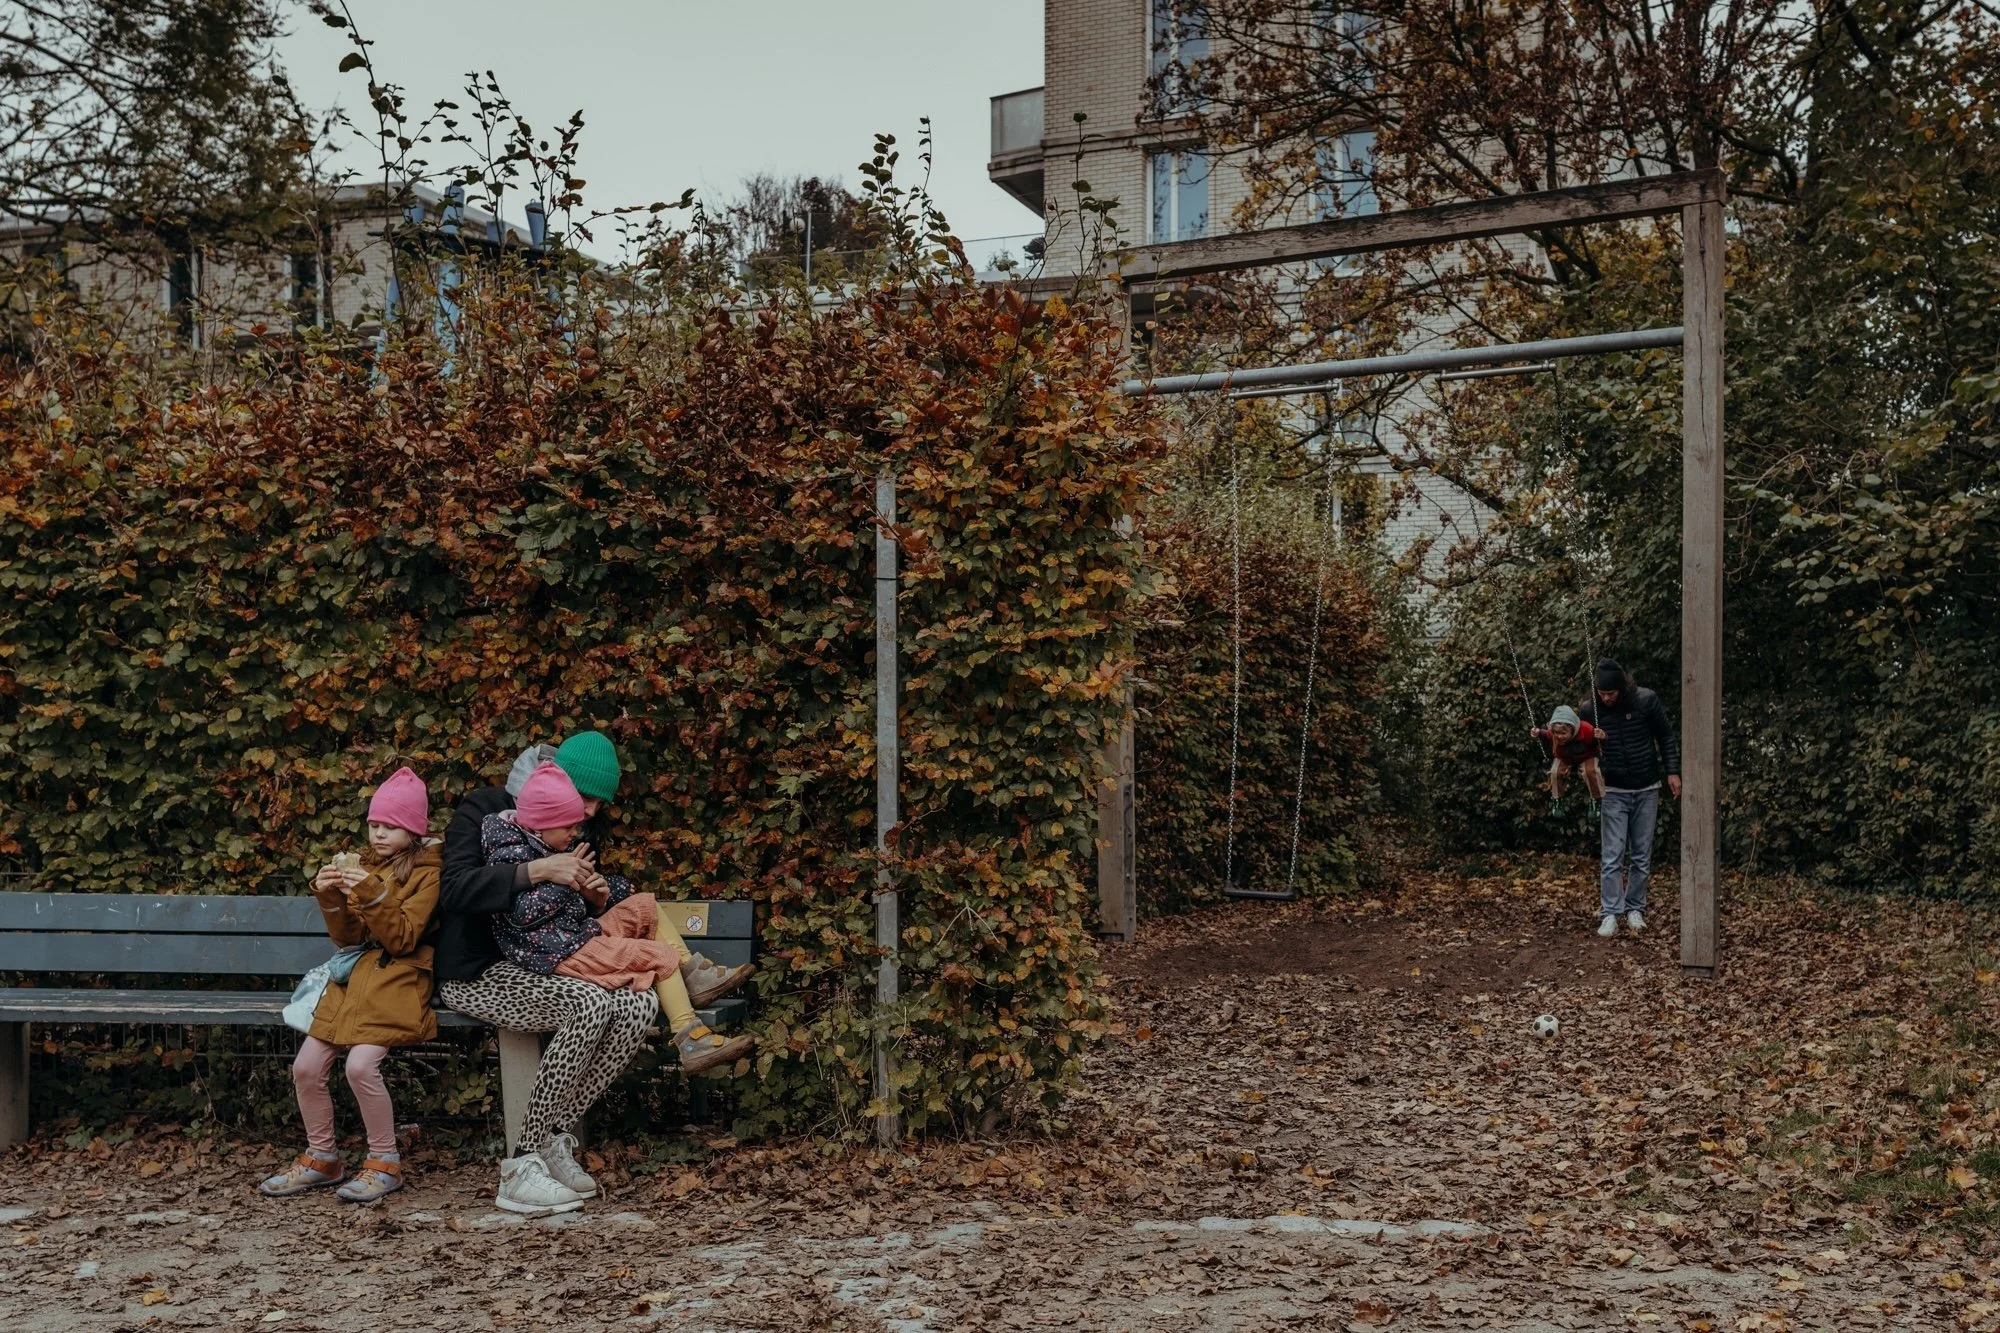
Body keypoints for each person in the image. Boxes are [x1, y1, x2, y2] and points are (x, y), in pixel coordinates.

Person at [435, 732, 755, 1216]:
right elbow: (455, 890)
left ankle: (554, 1143)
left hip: (551, 961)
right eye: (581, 798)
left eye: (595, 805)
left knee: (639, 1003)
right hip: (479, 973)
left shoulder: (573, 826)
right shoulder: (484, 812)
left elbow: (575, 915)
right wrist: (538, 871)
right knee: (588, 1004)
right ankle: (521, 1165)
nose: (586, 813)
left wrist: (594, 895)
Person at [482, 763, 753, 1076]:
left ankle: (693, 976)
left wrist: (600, 891)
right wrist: (565, 880)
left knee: (644, 905)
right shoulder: (511, 852)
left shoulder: (551, 841)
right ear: (541, 824)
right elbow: (521, 914)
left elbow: (575, 899)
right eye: (568, 826)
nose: (576, 832)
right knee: (660, 956)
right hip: (554, 952)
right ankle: (691, 1040)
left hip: (573, 933)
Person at [260, 767, 440, 1203]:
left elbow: (401, 939)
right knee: (305, 1067)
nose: (379, 834)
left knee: (361, 1066)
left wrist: (375, 894)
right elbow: (349, 940)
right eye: (375, 825)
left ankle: (385, 1162)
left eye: (391, 827)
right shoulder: (367, 866)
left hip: (398, 982)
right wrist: (332, 898)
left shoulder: (430, 873)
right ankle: (322, 1158)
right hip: (353, 984)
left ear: (414, 831)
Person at [1582, 661, 1680, 938]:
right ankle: (1610, 913)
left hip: (1647, 787)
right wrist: (1592, 741)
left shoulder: (1646, 700)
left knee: (1641, 854)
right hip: (1613, 790)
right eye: (1602, 693)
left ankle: (1635, 908)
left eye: (1611, 693)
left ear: (1623, 688)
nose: (1607, 698)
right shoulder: (1591, 710)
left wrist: (1672, 771)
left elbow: (1665, 735)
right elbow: (1578, 746)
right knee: (1612, 855)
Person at [1531, 704, 1606, 800]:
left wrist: (1603, 737)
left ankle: (1597, 798)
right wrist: (1538, 732)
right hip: (1564, 757)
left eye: (1563, 733)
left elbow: (1597, 741)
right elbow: (1546, 734)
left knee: (1591, 771)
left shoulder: (1586, 729)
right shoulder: (1553, 734)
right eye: (1557, 733)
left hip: (1587, 756)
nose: (1559, 736)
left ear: (1572, 729)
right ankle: (1557, 798)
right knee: (1555, 772)